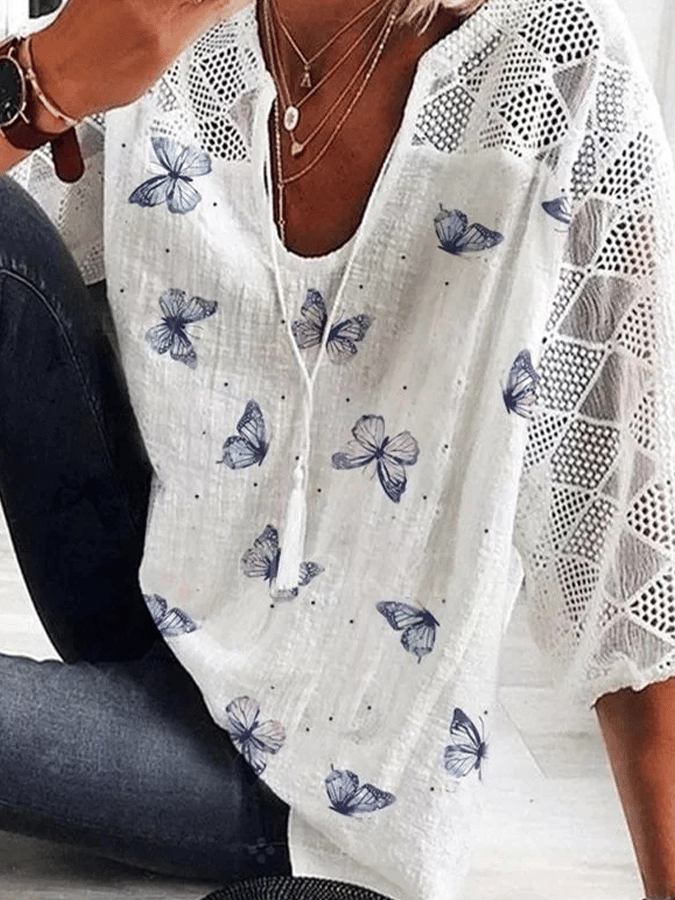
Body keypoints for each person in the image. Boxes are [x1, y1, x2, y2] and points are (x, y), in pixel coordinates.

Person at [0, 0, 675, 898]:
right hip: (145, 597)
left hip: (316, 786)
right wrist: (39, 86)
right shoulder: (163, 21)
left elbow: (629, 568)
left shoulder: (557, 62)